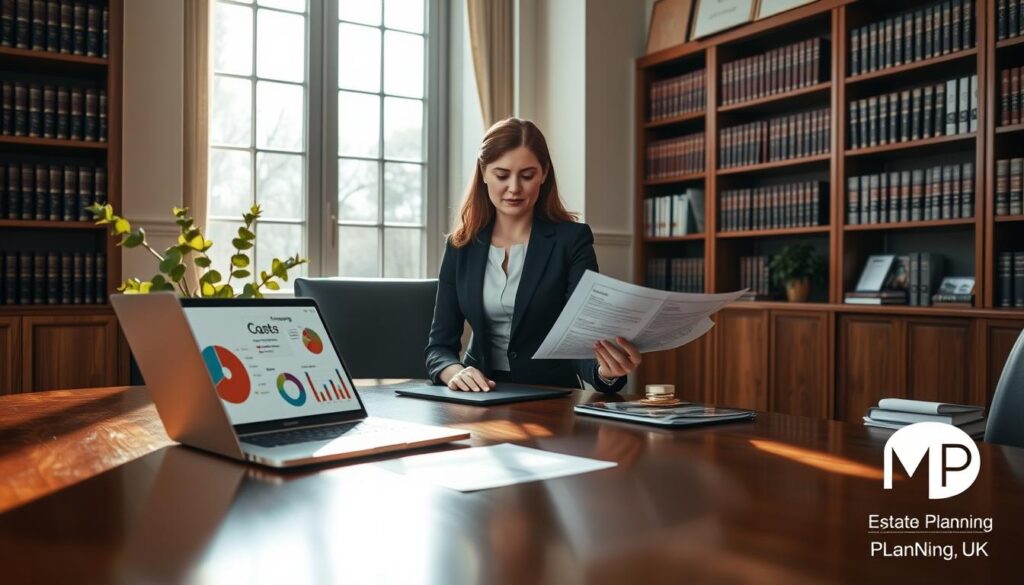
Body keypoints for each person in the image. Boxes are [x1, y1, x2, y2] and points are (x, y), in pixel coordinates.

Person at [425, 118, 641, 392]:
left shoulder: (571, 241)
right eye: (502, 175)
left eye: (527, 175)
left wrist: (605, 372)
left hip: (550, 397)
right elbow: (439, 347)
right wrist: (454, 371)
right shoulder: (461, 245)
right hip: (480, 395)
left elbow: (580, 340)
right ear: (483, 172)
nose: (514, 187)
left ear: (544, 173)